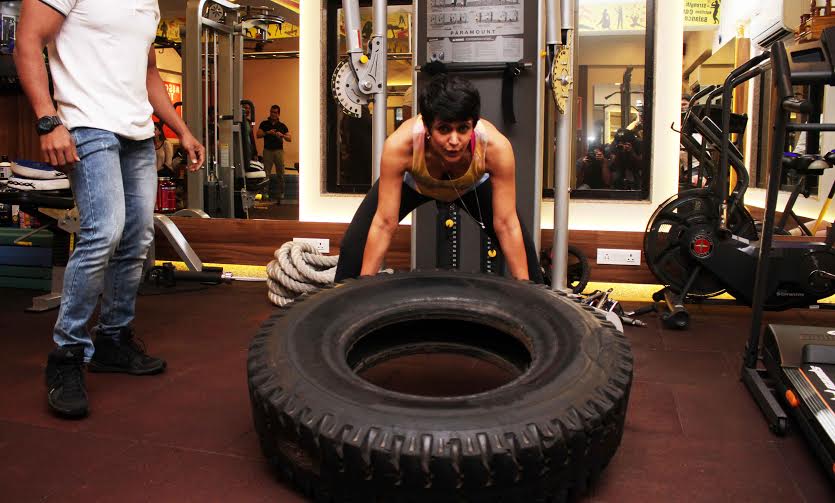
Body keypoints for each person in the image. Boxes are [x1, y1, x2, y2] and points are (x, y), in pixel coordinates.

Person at [15, 0, 205, 418]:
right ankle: (67, 355)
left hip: (137, 134)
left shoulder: (149, 4)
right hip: (86, 124)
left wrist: (182, 130)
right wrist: (48, 120)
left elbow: (149, 73)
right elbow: (27, 40)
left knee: (137, 237)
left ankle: (113, 340)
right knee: (104, 231)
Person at [334, 74, 543, 283]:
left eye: (463, 129)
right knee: (353, 248)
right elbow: (384, 223)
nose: (454, 141)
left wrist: (525, 289)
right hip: (415, 183)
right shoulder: (400, 147)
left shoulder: (496, 148)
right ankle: (339, 311)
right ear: (427, 127)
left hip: (470, 185)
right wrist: (363, 287)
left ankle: (538, 309)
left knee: (527, 260)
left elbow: (506, 224)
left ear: (474, 124)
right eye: (444, 129)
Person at [257, 104, 291, 201]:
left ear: (278, 114)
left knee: (280, 173)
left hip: (278, 151)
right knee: (266, 173)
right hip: (267, 151)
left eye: (275, 112)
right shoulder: (264, 123)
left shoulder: (282, 126)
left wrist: (282, 135)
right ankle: (265, 194)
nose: (273, 114)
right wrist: (267, 132)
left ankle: (281, 194)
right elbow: (258, 134)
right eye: (272, 112)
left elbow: (290, 138)